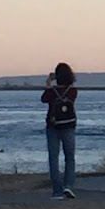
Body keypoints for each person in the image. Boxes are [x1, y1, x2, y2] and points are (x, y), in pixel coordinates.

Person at [42, 62, 78, 199]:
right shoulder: (73, 91)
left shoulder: (52, 92)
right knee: (70, 157)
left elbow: (43, 99)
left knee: (54, 158)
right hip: (69, 126)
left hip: (53, 126)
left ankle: (57, 190)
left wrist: (49, 82)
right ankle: (68, 186)